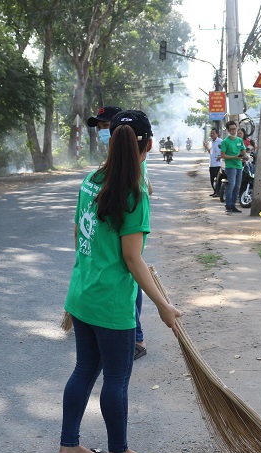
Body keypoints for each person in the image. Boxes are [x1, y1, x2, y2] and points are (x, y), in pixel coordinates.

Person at [59, 110, 181, 453]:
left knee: (84, 369)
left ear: (109, 142)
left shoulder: (90, 181)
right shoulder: (133, 195)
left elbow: (81, 237)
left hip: (82, 293)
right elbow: (132, 258)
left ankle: (69, 446)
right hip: (112, 303)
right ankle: (119, 452)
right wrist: (164, 305)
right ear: (149, 145)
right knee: (115, 378)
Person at [88, 105, 152, 360]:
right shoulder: (98, 175)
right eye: (100, 128)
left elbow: (131, 257)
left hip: (111, 278)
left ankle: (137, 338)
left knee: (131, 281)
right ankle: (136, 337)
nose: (102, 133)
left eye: (105, 127)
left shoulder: (131, 182)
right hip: (102, 279)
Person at [220, 120, 247, 214]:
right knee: (231, 185)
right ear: (228, 130)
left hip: (239, 165)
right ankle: (228, 206)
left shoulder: (239, 140)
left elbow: (243, 150)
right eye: (231, 129)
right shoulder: (225, 142)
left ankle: (233, 205)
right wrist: (234, 157)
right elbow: (223, 155)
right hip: (230, 166)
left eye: (235, 129)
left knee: (237, 186)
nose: (233, 131)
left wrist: (245, 156)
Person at [206, 128, 223, 196]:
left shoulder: (220, 141)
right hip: (211, 163)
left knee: (218, 179)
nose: (212, 134)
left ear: (217, 134)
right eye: (211, 133)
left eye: (213, 133)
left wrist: (221, 156)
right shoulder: (210, 142)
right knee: (212, 179)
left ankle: (218, 192)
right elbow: (210, 151)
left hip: (218, 164)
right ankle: (215, 191)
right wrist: (206, 147)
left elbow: (224, 150)